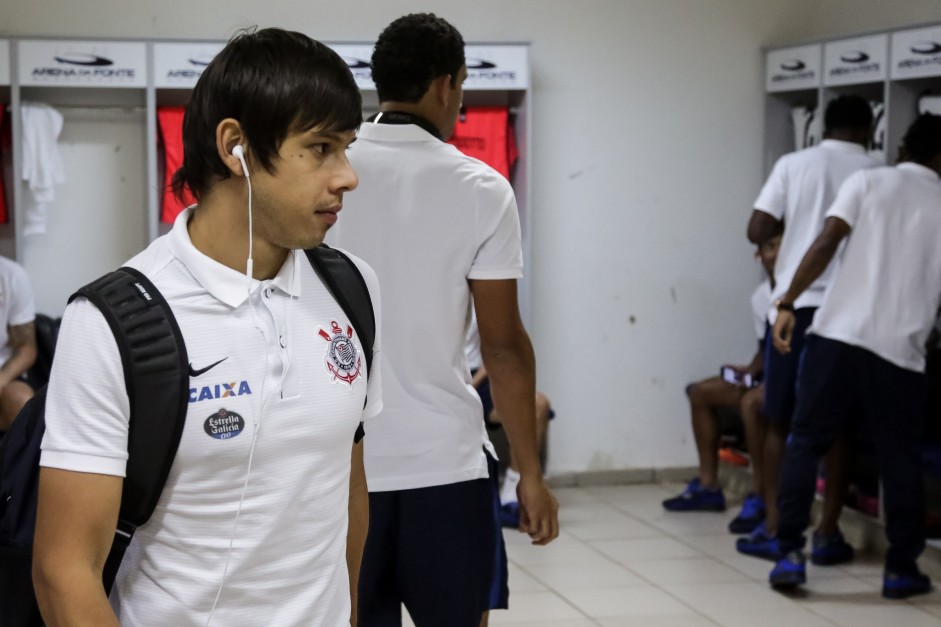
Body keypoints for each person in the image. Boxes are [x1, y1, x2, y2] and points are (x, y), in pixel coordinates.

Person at [32, 28, 380, 626]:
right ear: (235, 146)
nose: (347, 175)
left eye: (346, 148)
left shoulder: (353, 288)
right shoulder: (113, 324)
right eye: (321, 148)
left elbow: (344, 482)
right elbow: (65, 570)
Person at [328, 13, 558, 627]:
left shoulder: (328, 176)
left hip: (339, 468)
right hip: (445, 467)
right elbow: (503, 348)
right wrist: (529, 474)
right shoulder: (481, 188)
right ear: (445, 86)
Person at [767, 113, 941, 599]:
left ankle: (787, 555)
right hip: (900, 353)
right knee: (898, 459)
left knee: (806, 443)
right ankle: (900, 568)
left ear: (904, 147)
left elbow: (826, 241)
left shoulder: (869, 181)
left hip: (836, 337)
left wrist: (787, 301)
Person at [739, 95, 878, 563]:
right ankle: (828, 530)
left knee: (781, 420)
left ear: (822, 126)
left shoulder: (795, 163)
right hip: (852, 315)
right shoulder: (878, 170)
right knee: (834, 428)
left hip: (795, 308)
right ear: (869, 127)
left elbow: (757, 227)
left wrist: (792, 222)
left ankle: (777, 527)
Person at [663, 232, 780, 536]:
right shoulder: (761, 297)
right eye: (769, 247)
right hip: (767, 373)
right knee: (700, 392)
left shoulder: (806, 291)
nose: (775, 254)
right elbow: (763, 347)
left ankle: (759, 495)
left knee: (751, 403)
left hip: (790, 378)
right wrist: (746, 371)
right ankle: (708, 485)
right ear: (759, 256)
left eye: (780, 245)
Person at [465, 309, 553, 528]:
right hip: (445, 374)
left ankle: (511, 494)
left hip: (479, 375)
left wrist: (470, 387)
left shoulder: (485, 291)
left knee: (539, 406)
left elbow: (499, 348)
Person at [0, 256, 37, 432]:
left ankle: (24, 459)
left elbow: (26, 348)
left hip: (3, 373)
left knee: (20, 398)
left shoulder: (12, 275)